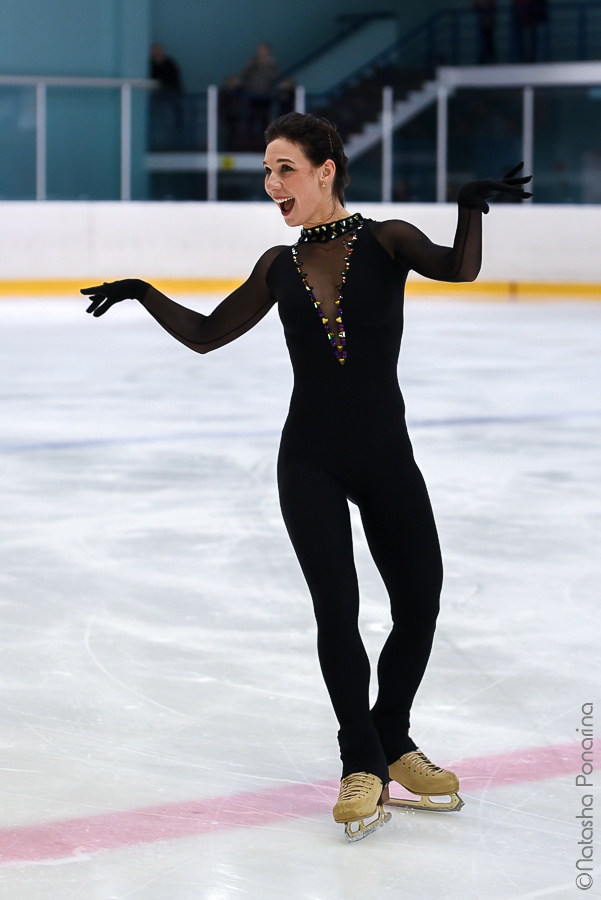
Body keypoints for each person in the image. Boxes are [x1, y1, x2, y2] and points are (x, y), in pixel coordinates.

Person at [81, 113, 531, 842]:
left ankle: (390, 734)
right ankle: (360, 760)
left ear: (325, 170)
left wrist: (469, 204)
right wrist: (141, 290)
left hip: (386, 454)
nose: (270, 184)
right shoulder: (277, 266)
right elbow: (205, 334)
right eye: (266, 171)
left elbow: (459, 267)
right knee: (338, 610)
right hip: (309, 460)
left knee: (419, 601)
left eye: (283, 169)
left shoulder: (387, 239)